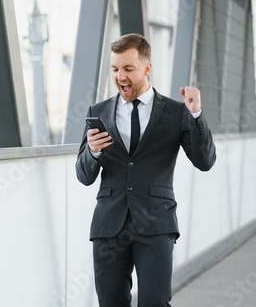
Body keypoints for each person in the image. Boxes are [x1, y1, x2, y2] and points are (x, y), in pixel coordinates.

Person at [75, 33, 216, 307]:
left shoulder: (176, 112)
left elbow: (205, 161)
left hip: (155, 222)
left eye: (128, 68)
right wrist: (92, 151)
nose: (120, 76)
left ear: (147, 68)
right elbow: (83, 176)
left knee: (155, 302)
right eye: (115, 69)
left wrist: (196, 114)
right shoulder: (99, 111)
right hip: (109, 225)